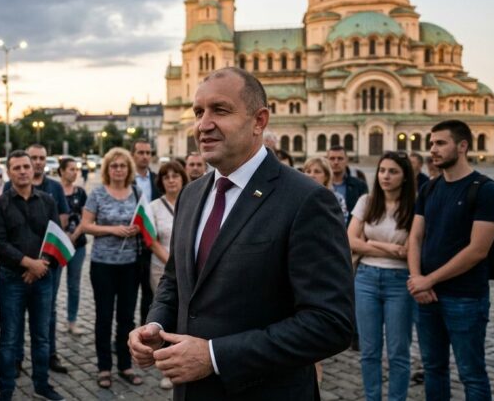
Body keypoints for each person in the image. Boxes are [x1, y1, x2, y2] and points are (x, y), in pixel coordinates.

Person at [129, 67, 354, 400]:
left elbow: (330, 324)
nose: (203, 124)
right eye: (198, 112)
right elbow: (175, 281)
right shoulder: (192, 195)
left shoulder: (306, 199)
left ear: (259, 121)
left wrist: (215, 356)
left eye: (220, 110)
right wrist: (156, 326)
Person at [407, 120, 494, 400]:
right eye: (431, 143)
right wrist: (416, 279)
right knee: (434, 369)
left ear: (462, 146)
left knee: (471, 373)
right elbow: (415, 238)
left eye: (440, 143)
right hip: (427, 297)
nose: (432, 150)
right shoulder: (430, 189)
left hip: (465, 298)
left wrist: (428, 280)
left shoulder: (485, 189)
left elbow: (477, 250)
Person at [0, 150, 65, 401]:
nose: (22, 171)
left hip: (42, 278)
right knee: (9, 339)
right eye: (16, 168)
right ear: (8, 172)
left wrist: (39, 266)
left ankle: (41, 385)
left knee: (42, 337)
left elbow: (55, 238)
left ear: (33, 170)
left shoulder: (48, 201)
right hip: (12, 280)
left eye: (26, 166)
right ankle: (6, 389)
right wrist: (28, 264)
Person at [348, 152, 417, 401]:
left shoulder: (414, 206)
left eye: (393, 171)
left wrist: (370, 242)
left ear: (405, 177)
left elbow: (410, 250)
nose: (385, 176)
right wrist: (389, 248)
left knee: (399, 351)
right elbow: (351, 240)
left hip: (400, 281)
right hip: (365, 278)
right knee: (369, 350)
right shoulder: (367, 201)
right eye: (382, 170)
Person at [82, 147, 144, 388]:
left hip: (130, 265)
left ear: (128, 169)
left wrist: (137, 229)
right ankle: (104, 367)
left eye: (122, 165)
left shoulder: (136, 192)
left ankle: (125, 365)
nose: (118, 169)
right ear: (107, 169)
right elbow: (87, 226)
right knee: (104, 317)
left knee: (127, 318)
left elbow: (142, 220)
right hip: (103, 265)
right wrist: (112, 230)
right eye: (114, 166)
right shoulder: (97, 194)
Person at [147, 161, 188, 390]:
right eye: (166, 176)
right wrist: (174, 264)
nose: (171, 179)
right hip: (161, 269)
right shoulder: (154, 206)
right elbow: (152, 241)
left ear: (182, 178)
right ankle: (167, 366)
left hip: (192, 271)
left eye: (175, 175)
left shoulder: (193, 201)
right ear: (161, 182)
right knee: (165, 317)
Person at [131, 139, 161, 325]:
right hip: (132, 244)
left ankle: (146, 329)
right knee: (130, 293)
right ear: (133, 155)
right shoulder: (127, 179)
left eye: (148, 153)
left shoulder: (157, 179)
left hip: (153, 242)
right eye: (141, 152)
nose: (145, 156)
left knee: (150, 296)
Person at [58, 157, 88, 335]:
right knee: (53, 285)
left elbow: (86, 218)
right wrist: (64, 238)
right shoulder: (54, 190)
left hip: (78, 245)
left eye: (76, 169)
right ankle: (50, 319)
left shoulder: (81, 192)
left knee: (74, 285)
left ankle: (72, 321)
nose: (75, 172)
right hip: (57, 246)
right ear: (61, 171)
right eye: (71, 169)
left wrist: (74, 235)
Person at [327, 145, 368, 220]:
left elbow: (365, 212)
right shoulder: (320, 185)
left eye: (340, 159)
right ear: (327, 160)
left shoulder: (359, 186)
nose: (336, 162)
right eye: (332, 159)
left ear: (346, 160)